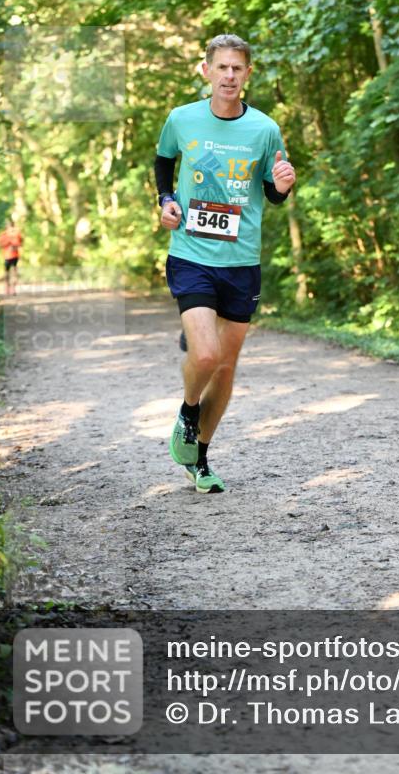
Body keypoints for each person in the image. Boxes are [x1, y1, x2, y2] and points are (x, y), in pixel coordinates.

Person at [154, 34, 296, 493]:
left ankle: (200, 459)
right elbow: (163, 162)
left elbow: (272, 195)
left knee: (226, 367)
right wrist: (166, 199)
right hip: (191, 254)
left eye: (238, 68)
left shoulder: (265, 129)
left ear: (247, 74)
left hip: (241, 263)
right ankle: (188, 411)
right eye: (222, 68)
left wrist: (282, 184)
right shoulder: (181, 119)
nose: (229, 76)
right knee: (208, 355)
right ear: (206, 71)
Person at [0, 219, 23, 295]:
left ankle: (13, 289)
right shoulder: (3, 234)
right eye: (8, 225)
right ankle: (7, 288)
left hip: (15, 256)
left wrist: (15, 245)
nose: (10, 227)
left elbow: (20, 243)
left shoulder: (17, 234)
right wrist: (8, 243)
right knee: (7, 273)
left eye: (11, 225)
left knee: (14, 272)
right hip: (6, 256)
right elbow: (0, 245)